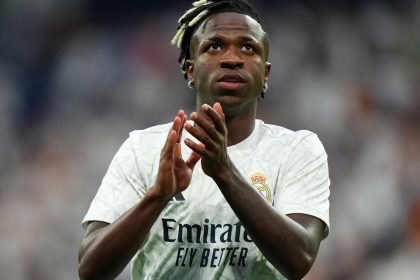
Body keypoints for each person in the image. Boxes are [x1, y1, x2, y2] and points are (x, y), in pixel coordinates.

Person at [78, 0, 330, 279]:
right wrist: (157, 197)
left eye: (248, 47)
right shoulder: (144, 149)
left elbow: (299, 258)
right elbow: (90, 269)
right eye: (215, 46)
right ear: (191, 70)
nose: (232, 58)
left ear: (265, 74)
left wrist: (224, 171)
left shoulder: (296, 150)